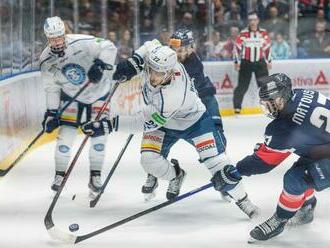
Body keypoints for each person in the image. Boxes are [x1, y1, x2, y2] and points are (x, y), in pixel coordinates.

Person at [82, 40, 259, 218]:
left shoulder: (172, 96)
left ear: (169, 72)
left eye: (159, 73)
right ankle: (176, 175)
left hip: (194, 122)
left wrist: (110, 125)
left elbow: (144, 121)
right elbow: (151, 44)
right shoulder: (163, 60)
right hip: (165, 122)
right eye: (151, 69)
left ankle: (244, 201)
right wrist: (133, 62)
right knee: (148, 160)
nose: (152, 76)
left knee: (217, 163)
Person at [213, 73, 330, 242]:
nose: (266, 108)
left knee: (294, 179)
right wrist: (270, 147)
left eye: (268, 103)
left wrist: (234, 172)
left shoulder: (282, 128)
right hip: (323, 147)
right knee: (305, 165)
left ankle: (280, 219)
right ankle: (306, 205)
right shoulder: (303, 93)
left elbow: (263, 163)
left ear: (280, 100)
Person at [39, 16, 117, 196]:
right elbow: (51, 88)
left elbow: (109, 46)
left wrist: (101, 64)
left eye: (59, 36)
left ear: (64, 33)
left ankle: (95, 176)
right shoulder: (45, 60)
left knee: (99, 136)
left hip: (99, 93)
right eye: (52, 38)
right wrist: (51, 112)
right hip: (71, 97)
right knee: (65, 136)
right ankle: (59, 175)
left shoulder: (82, 41)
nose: (57, 41)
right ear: (47, 38)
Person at [233, 11, 271, 114]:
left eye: (254, 20)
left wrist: (269, 60)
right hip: (246, 63)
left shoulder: (263, 32)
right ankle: (237, 108)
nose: (253, 22)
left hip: (260, 62)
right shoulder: (243, 33)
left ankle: (268, 107)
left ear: (258, 21)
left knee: (265, 86)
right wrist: (236, 62)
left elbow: (267, 48)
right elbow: (237, 48)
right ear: (248, 21)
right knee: (242, 86)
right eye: (250, 20)